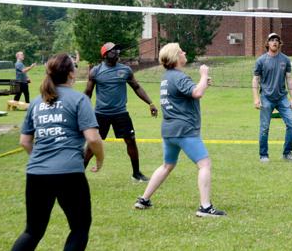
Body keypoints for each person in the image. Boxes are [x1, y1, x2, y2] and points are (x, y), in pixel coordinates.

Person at [0, 54, 104, 251]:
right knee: (80, 226)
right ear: (71, 73)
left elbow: (25, 142)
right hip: (69, 173)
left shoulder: (37, 102)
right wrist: (99, 159)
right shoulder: (79, 100)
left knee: (32, 230)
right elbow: (93, 138)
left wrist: (42, 160)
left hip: (36, 174)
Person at [134, 43, 226, 217]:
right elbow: (197, 93)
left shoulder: (167, 77)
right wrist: (203, 75)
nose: (184, 52)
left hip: (169, 131)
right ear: (176, 57)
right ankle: (205, 207)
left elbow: (190, 92)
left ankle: (143, 200)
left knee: (167, 165)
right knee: (204, 164)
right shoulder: (179, 76)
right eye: (181, 51)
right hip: (184, 130)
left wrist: (202, 84)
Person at [83, 42, 158, 182]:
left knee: (131, 141)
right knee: (92, 144)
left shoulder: (125, 70)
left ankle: (136, 174)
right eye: (113, 50)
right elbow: (88, 92)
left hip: (121, 114)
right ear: (105, 54)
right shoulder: (96, 71)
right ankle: (78, 175)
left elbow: (136, 87)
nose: (117, 52)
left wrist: (150, 103)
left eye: (117, 50)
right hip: (101, 114)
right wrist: (82, 110)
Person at [252, 33, 292, 163]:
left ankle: (287, 153)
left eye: (277, 40)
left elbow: (289, 78)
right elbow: (255, 79)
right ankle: (263, 155)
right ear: (267, 43)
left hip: (282, 98)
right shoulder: (261, 60)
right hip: (266, 98)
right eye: (272, 40)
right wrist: (256, 98)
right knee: (265, 127)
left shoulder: (285, 59)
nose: (274, 42)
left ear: (279, 43)